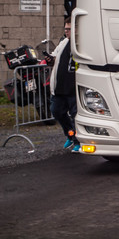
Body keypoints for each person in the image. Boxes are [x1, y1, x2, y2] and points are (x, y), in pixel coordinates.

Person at [48, 17, 80, 153]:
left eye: (69, 29)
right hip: (59, 87)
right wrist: (49, 59)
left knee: (75, 115)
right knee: (56, 111)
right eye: (65, 29)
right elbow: (54, 57)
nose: (66, 31)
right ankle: (70, 134)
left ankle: (78, 141)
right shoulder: (63, 42)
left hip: (73, 87)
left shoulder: (80, 43)